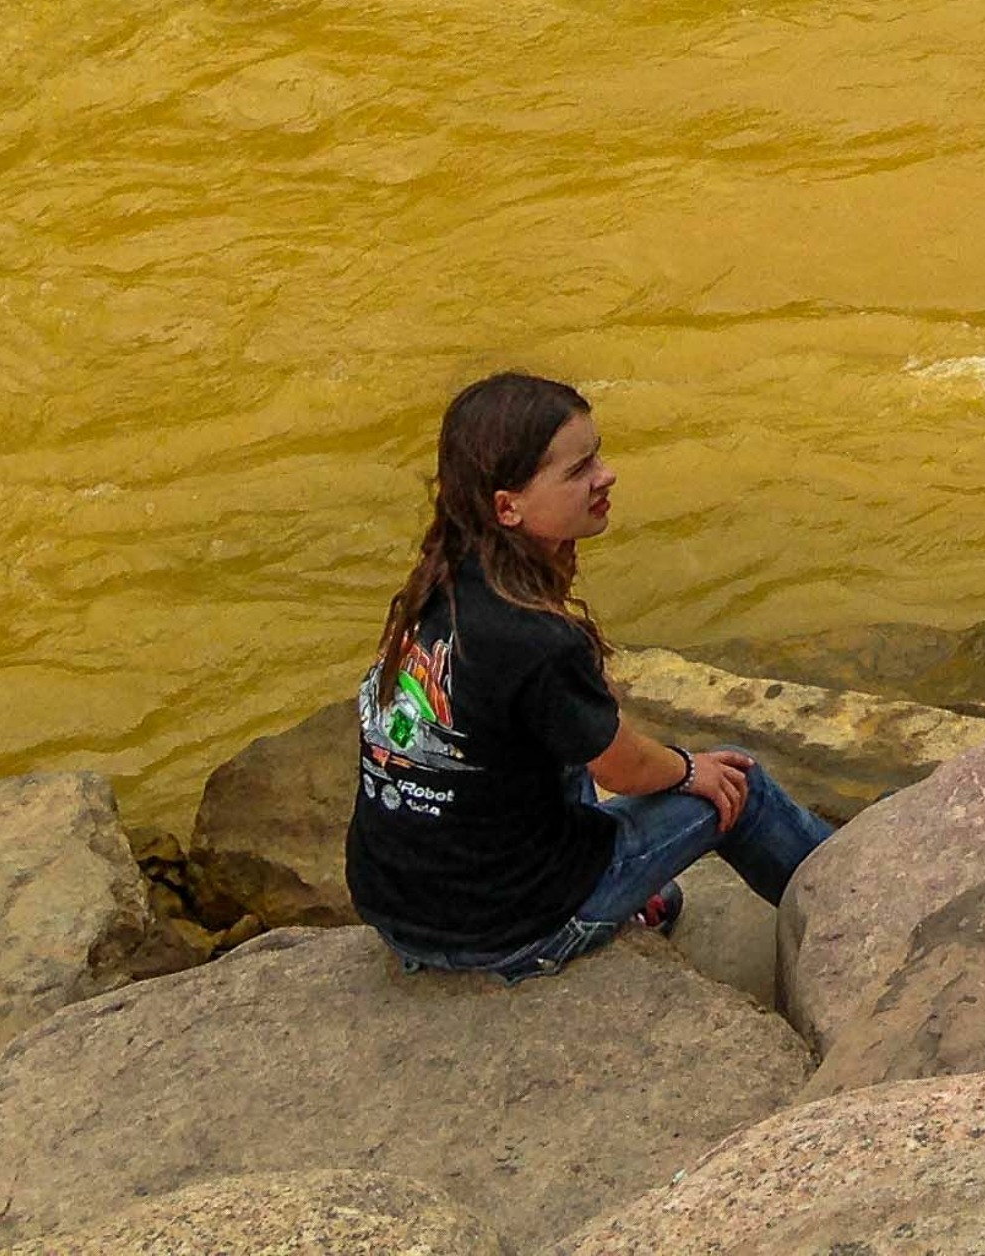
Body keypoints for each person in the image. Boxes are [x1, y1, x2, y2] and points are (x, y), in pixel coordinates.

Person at [345, 370, 833, 979]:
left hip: (403, 916)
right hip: (501, 934)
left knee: (565, 748)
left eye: (596, 457)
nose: (606, 476)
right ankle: (857, 906)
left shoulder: (437, 587)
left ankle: (619, 897)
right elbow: (621, 768)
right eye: (578, 471)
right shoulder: (533, 638)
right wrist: (690, 768)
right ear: (508, 506)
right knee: (737, 782)